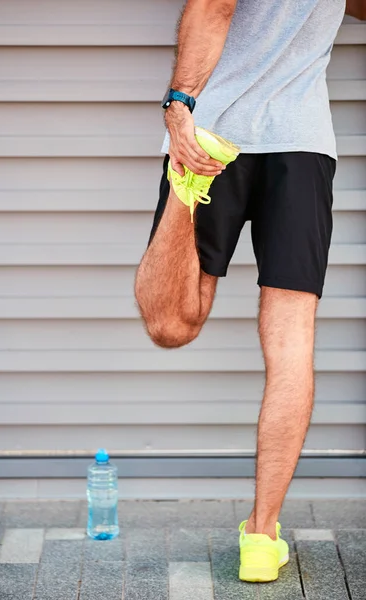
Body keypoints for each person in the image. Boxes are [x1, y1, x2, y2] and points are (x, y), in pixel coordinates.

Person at [134, 0, 365, 583]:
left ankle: (186, 190)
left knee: (171, 325)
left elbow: (216, 2)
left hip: (211, 132)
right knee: (292, 343)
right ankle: (262, 539)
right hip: (302, 148)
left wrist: (180, 102)